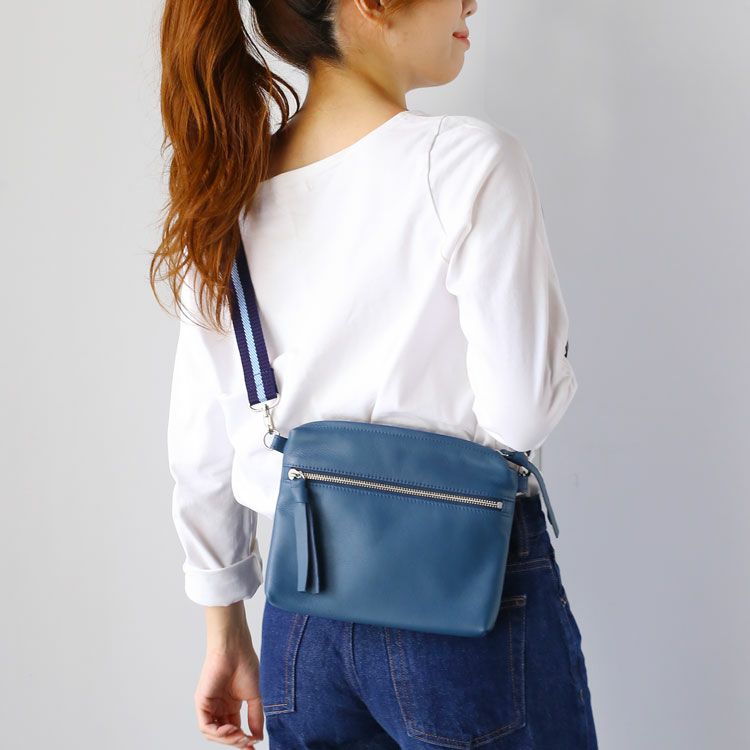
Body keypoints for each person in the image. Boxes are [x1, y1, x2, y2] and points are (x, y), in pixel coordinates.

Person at [151, 0, 598, 748]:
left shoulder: (227, 193)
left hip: (303, 623)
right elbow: (521, 414)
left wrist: (223, 628)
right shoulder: (466, 162)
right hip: (462, 599)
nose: (471, 3)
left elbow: (200, 447)